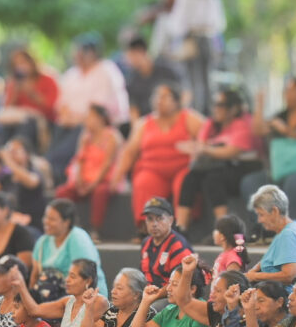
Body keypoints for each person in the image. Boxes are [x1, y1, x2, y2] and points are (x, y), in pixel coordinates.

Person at [109, 83, 205, 226]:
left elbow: (208, 139)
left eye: (165, 97)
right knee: (143, 183)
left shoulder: (190, 118)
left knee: (185, 183)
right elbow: (129, 152)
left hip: (182, 168)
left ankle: (181, 227)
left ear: (176, 101)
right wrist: (117, 175)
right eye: (157, 96)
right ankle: (145, 228)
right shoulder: (143, 124)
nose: (159, 100)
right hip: (153, 170)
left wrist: (196, 149)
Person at [175, 88, 262, 234]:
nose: (216, 109)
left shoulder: (243, 124)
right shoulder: (211, 124)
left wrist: (205, 149)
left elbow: (232, 151)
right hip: (217, 167)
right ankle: (181, 227)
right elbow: (200, 146)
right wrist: (202, 148)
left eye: (220, 105)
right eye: (214, 104)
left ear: (234, 109)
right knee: (190, 177)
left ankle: (223, 230)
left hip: (241, 168)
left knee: (213, 178)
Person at [241, 79, 296, 224]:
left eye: (289, 90)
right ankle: (261, 229)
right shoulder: (281, 115)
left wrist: (286, 130)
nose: (285, 94)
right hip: (280, 170)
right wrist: (260, 104)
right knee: (250, 182)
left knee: (294, 182)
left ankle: (290, 229)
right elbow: (258, 130)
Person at [48, 33, 129, 183]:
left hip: (97, 123)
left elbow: (100, 107)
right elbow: (61, 103)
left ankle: (60, 173)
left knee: (78, 135)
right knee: (57, 134)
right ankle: (50, 168)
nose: (77, 56)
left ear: (92, 53)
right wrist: (66, 116)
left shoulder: (106, 70)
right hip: (69, 122)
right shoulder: (72, 74)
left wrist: (77, 118)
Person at [55, 104, 123, 231]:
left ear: (101, 118)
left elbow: (107, 164)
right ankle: (65, 226)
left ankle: (95, 229)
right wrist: (79, 180)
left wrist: (93, 184)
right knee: (62, 192)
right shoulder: (85, 136)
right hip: (84, 179)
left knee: (100, 192)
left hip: (103, 180)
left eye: (90, 116)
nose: (87, 120)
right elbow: (80, 159)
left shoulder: (112, 136)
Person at [167, 0, 225, 114]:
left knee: (193, 83)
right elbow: (219, 24)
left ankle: (197, 115)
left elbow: (176, 25)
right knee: (207, 81)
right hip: (208, 41)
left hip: (192, 41)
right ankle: (210, 114)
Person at [10, 260, 95, 327]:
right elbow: (34, 310)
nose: (67, 280)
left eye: (72, 276)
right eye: (68, 275)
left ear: (88, 281)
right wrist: (21, 286)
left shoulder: (97, 301)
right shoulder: (67, 301)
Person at [29, 200, 105, 300]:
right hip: (51, 295)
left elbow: (84, 277)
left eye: (52, 219)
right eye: (46, 217)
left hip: (85, 296)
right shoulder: (43, 241)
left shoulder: (78, 238)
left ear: (66, 222)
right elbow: (35, 275)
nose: (46, 221)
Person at [80, 268, 157, 327]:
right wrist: (89, 306)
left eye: (119, 288)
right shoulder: (113, 311)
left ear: (136, 294)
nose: (113, 291)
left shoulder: (147, 314)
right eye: (114, 287)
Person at [245, 185, 296, 284]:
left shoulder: (288, 235)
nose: (259, 220)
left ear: (274, 211)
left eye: (261, 214)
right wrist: (252, 272)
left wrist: (255, 276)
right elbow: (272, 258)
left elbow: (290, 276)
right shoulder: (290, 228)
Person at [0, 48, 59, 151]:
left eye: (23, 62)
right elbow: (7, 108)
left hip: (42, 121)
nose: (20, 67)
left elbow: (51, 107)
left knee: (27, 125)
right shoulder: (13, 82)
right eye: (16, 64)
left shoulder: (47, 80)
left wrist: (32, 93)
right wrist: (15, 92)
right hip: (18, 119)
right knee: (6, 127)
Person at [123, 35, 183, 123]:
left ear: (140, 52)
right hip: (147, 123)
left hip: (172, 119)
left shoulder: (166, 71)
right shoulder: (132, 80)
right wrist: (137, 127)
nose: (128, 60)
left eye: (131, 55)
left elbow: (183, 95)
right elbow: (133, 109)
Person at [138, 197, 192, 286]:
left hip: (171, 292)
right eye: (150, 219)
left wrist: (156, 293)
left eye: (159, 218)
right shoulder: (146, 243)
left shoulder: (178, 245)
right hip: (148, 290)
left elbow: (179, 283)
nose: (154, 224)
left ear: (171, 220)